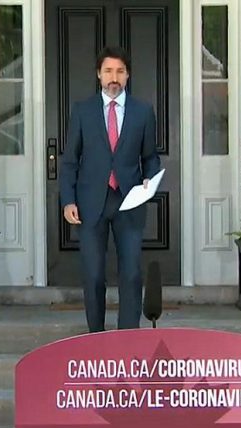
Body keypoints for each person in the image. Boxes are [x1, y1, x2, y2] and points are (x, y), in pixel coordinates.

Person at [59, 46, 160, 333]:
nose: (113, 77)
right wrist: (68, 201)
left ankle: (128, 338)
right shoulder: (82, 111)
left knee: (131, 274)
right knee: (93, 276)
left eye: (119, 71)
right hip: (91, 204)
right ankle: (96, 337)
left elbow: (150, 157)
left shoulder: (143, 112)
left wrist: (150, 181)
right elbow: (69, 161)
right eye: (108, 71)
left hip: (129, 202)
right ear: (98, 75)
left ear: (127, 76)